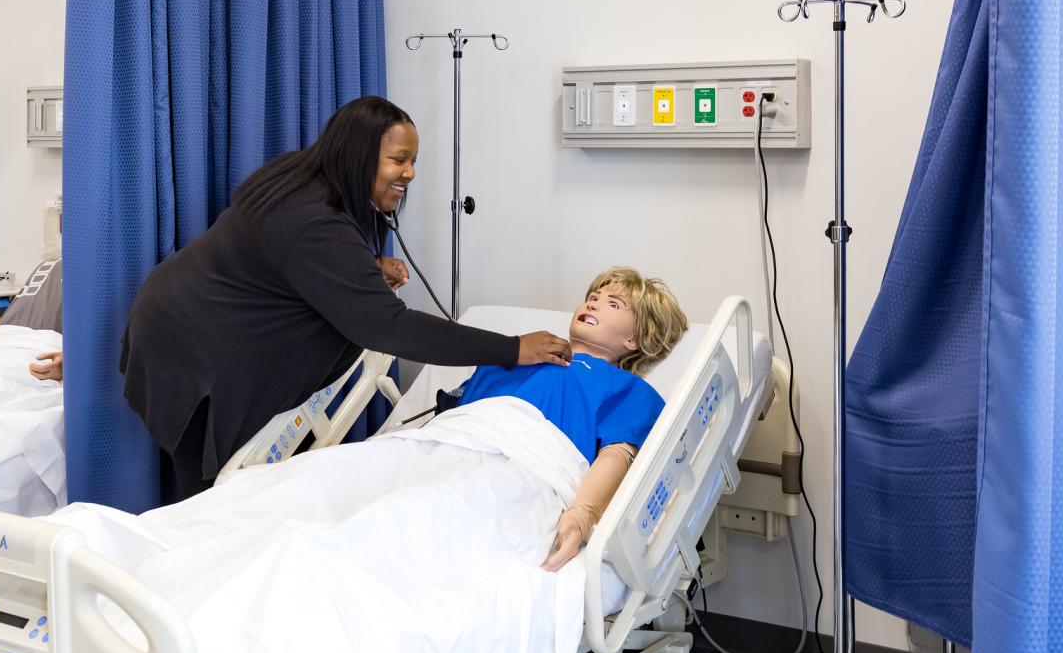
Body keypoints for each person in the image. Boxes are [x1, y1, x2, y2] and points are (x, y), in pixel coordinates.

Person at [121, 96, 572, 500]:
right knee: (205, 504)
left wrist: (364, 268)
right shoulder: (313, 222)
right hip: (186, 349)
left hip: (179, 313)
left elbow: (280, 259)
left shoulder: (306, 179)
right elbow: (391, 327)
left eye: (414, 161)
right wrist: (512, 348)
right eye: (399, 160)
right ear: (359, 157)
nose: (411, 174)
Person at [451, 266, 688, 570]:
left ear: (634, 339)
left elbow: (617, 453)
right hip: (457, 445)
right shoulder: (511, 356)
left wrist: (583, 514)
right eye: (593, 297)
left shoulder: (629, 389)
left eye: (613, 304)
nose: (593, 303)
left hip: (524, 470)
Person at [0, 258, 64, 381]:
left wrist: (70, 364)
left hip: (41, 356)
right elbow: (4, 329)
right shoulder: (50, 265)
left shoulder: (102, 273)